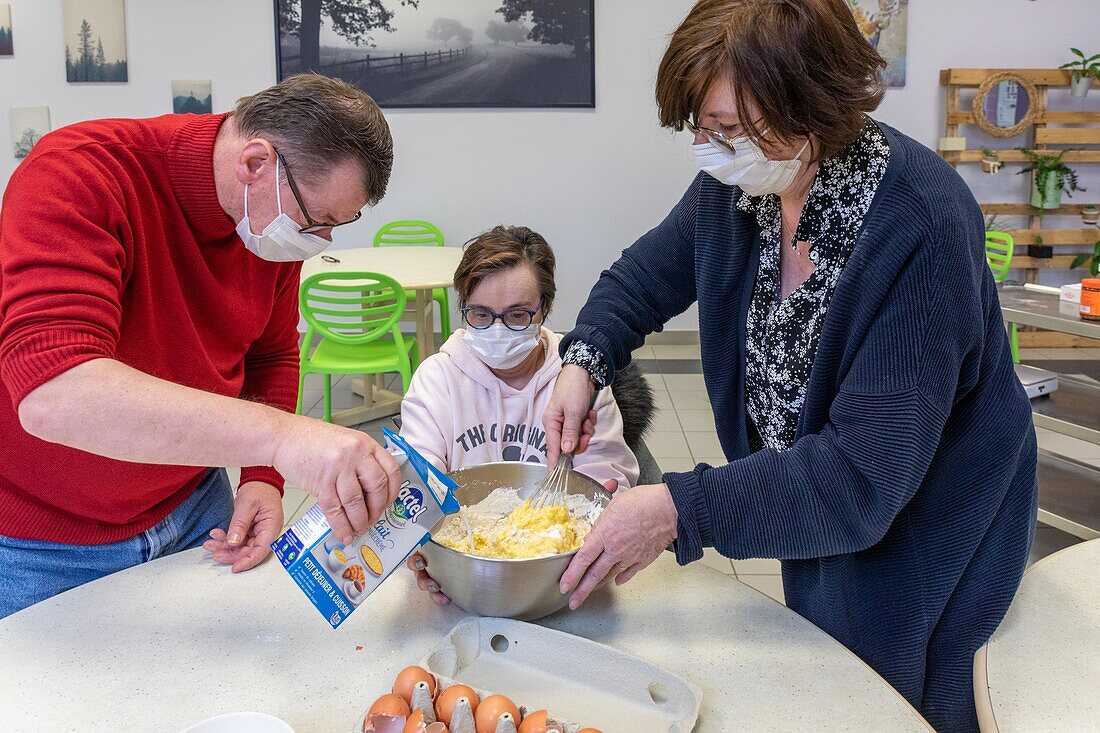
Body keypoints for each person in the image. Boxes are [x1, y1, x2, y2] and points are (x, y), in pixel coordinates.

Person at [542, 2, 1037, 731]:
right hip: (817, 493)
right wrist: (583, 361)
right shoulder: (745, 184)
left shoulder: (921, 224)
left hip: (930, 521)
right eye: (701, 127)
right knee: (824, 654)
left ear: (814, 104)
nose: (711, 149)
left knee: (901, 697)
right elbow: (643, 277)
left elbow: (859, 481)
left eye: (731, 129)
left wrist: (679, 508)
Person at [0, 74, 402, 618]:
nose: (318, 241)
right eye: (317, 221)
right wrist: (282, 440)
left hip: (195, 506)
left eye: (337, 225)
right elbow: (55, 392)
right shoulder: (79, 173)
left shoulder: (264, 225)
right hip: (46, 542)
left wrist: (263, 479)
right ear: (256, 163)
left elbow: (272, 354)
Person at [402, 226, 640, 605]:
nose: (497, 330)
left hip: (557, 577)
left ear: (544, 308)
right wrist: (418, 545)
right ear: (463, 307)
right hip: (467, 577)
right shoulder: (438, 380)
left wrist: (604, 499)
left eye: (517, 315)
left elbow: (604, 486)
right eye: (480, 314)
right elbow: (418, 481)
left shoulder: (577, 379)